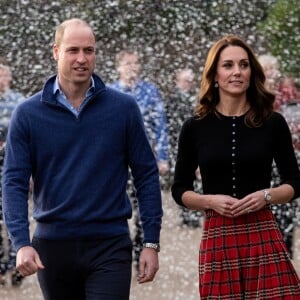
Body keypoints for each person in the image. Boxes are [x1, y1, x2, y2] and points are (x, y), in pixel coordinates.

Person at [2, 18, 163, 300]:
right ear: (55, 52)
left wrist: (150, 241)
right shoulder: (28, 114)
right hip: (52, 247)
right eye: (73, 50)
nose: (81, 59)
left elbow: (146, 175)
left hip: (110, 244)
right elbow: (13, 181)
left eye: (89, 50)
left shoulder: (123, 109)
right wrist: (21, 242)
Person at [172, 35, 300, 299]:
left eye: (243, 65)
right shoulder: (194, 127)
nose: (237, 72)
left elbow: (295, 183)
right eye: (228, 65)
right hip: (218, 234)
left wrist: (266, 196)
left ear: (252, 72)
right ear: (215, 74)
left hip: (262, 230)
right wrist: (210, 201)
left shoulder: (272, 122)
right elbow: (179, 190)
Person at [109, 49, 168, 268]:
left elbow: (161, 125)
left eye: (135, 63)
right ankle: (119, 248)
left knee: (145, 206)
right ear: (118, 67)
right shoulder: (110, 92)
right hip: (117, 162)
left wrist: (162, 157)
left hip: (144, 160)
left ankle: (140, 247)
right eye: (127, 63)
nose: (131, 67)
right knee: (119, 207)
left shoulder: (150, 92)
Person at [258, 54, 300, 258]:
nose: (270, 73)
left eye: (273, 68)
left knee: (287, 202)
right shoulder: (254, 95)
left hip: (288, 153)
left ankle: (285, 249)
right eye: (266, 69)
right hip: (263, 157)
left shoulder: (287, 93)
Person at [166, 67, 201, 227]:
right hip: (177, 143)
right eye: (186, 81)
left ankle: (192, 213)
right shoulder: (173, 100)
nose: (189, 84)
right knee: (183, 176)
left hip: (194, 142)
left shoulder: (196, 98)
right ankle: (187, 213)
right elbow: (171, 125)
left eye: (191, 81)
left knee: (196, 178)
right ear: (177, 81)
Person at [0, 59, 24, 286]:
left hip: (12, 163)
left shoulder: (19, 102)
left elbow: (27, 135)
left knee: (14, 215)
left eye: (4, 75)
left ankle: (17, 265)